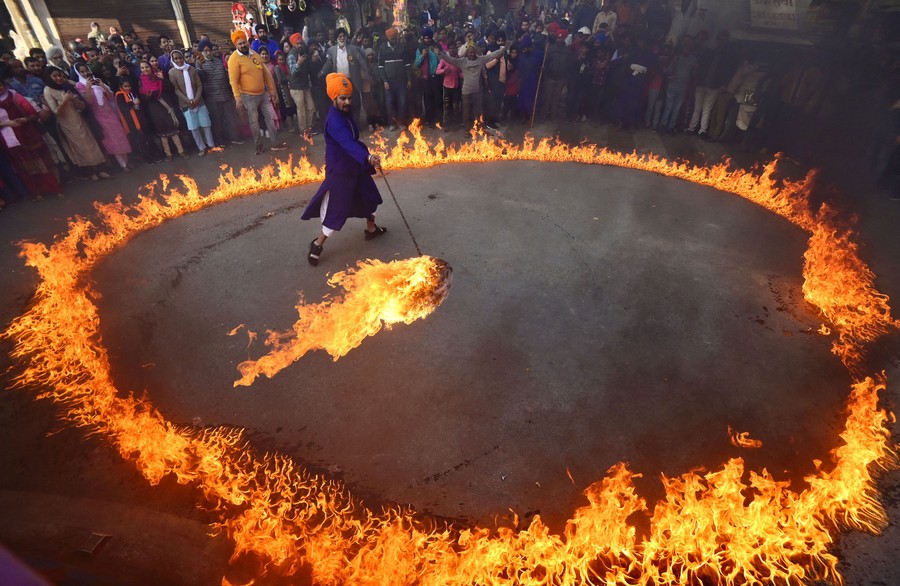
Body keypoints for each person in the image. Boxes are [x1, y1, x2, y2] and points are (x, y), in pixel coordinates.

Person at [301, 73, 387, 267]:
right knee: (336, 210)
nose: (347, 102)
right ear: (334, 98)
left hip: (355, 167)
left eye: (349, 98)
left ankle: (371, 229)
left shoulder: (345, 114)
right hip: (341, 171)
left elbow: (352, 140)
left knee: (369, 197)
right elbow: (347, 143)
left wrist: (363, 158)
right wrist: (367, 157)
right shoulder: (335, 121)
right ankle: (317, 244)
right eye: (342, 98)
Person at [42, 66, 111, 180]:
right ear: (49, 77)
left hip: (79, 119)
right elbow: (56, 112)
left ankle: (101, 170)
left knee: (91, 144)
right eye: (55, 76)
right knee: (79, 148)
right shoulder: (48, 90)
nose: (58, 78)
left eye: (59, 75)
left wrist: (74, 99)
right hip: (66, 124)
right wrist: (64, 101)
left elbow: (83, 105)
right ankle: (91, 172)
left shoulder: (67, 86)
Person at [227, 30, 288, 154]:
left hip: (263, 93)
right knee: (254, 122)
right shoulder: (233, 59)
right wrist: (238, 99)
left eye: (244, 42)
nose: (243, 45)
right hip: (247, 96)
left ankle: (275, 143)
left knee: (270, 117)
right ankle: (258, 145)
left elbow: (266, 75)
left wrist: (272, 92)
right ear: (236, 45)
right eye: (240, 44)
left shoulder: (255, 54)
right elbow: (233, 80)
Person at [0, 78, 62, 199]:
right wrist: (7, 124)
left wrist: (25, 120)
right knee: (24, 167)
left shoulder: (14, 96)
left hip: (28, 136)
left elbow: (33, 113)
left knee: (42, 163)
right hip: (9, 140)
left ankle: (54, 188)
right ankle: (37, 193)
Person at [436, 41, 507, 129]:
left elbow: (491, 56)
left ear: (476, 53)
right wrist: (440, 54)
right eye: (470, 52)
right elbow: (450, 59)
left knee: (478, 112)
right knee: (466, 112)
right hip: (466, 92)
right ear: (467, 53)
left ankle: (479, 127)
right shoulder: (462, 62)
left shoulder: (480, 60)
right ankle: (467, 129)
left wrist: (503, 49)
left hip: (477, 91)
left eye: (473, 52)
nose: (472, 54)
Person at [75, 61, 132, 170]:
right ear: (78, 73)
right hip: (99, 116)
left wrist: (102, 86)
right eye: (82, 72)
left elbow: (111, 97)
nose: (85, 73)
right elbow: (89, 103)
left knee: (120, 136)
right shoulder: (79, 85)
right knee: (111, 140)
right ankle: (123, 165)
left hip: (110, 113)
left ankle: (127, 161)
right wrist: (88, 88)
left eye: (86, 70)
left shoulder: (97, 80)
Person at [196, 40, 243, 147]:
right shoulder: (199, 65)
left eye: (209, 50)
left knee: (231, 118)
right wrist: (199, 67)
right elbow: (202, 80)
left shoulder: (218, 61)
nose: (208, 53)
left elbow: (227, 78)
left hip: (225, 95)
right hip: (212, 99)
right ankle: (220, 141)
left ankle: (234, 137)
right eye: (205, 51)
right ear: (201, 52)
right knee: (217, 121)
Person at [168, 49, 215, 156]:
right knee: (194, 128)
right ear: (173, 60)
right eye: (176, 58)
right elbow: (176, 90)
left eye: (180, 58)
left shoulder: (191, 69)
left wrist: (197, 99)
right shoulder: (172, 72)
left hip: (199, 101)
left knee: (206, 125)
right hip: (186, 105)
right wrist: (188, 100)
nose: (179, 60)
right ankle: (201, 148)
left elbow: (199, 85)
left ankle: (211, 145)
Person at [138, 60, 187, 161]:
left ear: (151, 67)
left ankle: (181, 151)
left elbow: (171, 88)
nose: (145, 69)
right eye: (142, 68)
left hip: (166, 107)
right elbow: (142, 97)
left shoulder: (158, 77)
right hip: (154, 110)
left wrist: (163, 79)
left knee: (173, 131)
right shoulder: (141, 81)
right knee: (162, 134)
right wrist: (148, 96)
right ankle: (168, 154)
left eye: (146, 67)